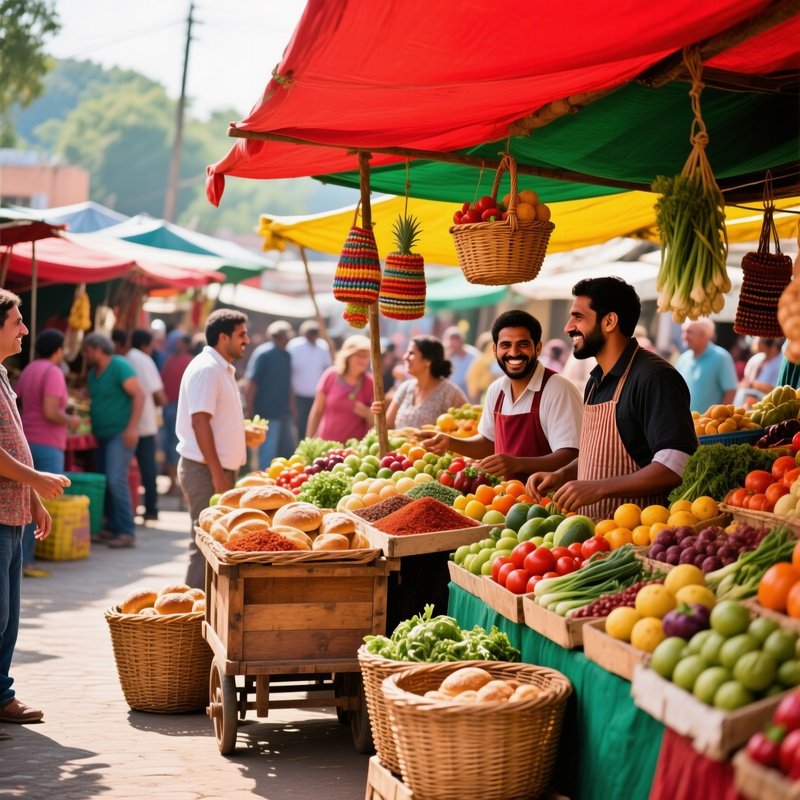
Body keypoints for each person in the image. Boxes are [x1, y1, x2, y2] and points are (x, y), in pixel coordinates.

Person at [527, 277, 698, 520]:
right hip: (593, 540)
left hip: (638, 541)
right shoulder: (595, 381)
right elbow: (597, 458)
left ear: (609, 321)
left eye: (578, 317)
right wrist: (562, 475)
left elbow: (677, 465)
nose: (567, 327)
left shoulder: (655, 377)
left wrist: (599, 488)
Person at [0, 290, 70, 724]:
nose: (25, 329)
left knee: (9, 617)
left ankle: (2, 696)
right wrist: (38, 480)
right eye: (16, 321)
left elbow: (14, 444)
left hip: (13, 512)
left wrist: (34, 499)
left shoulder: (5, 375)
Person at [418, 311, 583, 480]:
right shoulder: (496, 390)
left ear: (538, 348)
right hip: (506, 500)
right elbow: (488, 443)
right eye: (505, 345)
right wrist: (451, 442)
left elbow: (571, 456)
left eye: (523, 344)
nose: (513, 352)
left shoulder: (559, 389)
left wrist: (517, 464)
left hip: (551, 502)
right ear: (495, 349)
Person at [176, 309, 249, 589]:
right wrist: (218, 475)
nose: (247, 340)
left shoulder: (221, 367)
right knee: (204, 543)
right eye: (241, 334)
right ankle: (193, 611)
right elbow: (200, 422)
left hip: (215, 469)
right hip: (205, 470)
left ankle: (207, 610)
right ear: (223, 337)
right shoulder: (207, 368)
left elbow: (213, 420)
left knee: (215, 543)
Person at [15, 329, 81, 577]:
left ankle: (22, 558)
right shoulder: (53, 371)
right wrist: (72, 420)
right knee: (39, 502)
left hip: (26, 440)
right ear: (58, 350)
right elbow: (51, 412)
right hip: (47, 442)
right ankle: (27, 560)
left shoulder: (30, 368)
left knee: (24, 500)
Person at [82, 332, 144, 549]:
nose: (85, 355)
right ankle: (111, 527)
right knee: (106, 481)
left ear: (99, 349)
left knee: (116, 480)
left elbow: (139, 395)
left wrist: (132, 427)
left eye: (87, 350)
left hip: (120, 434)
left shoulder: (119, 365)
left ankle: (127, 531)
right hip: (102, 435)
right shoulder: (92, 374)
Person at [371, 336, 467, 430]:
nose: (405, 357)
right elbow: (387, 426)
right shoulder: (405, 388)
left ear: (428, 361)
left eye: (411, 353)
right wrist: (379, 414)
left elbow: (467, 427)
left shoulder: (450, 393)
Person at [125, 329, 167, 521]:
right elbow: (159, 393)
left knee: (126, 470)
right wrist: (160, 405)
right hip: (144, 422)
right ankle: (151, 508)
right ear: (145, 345)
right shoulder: (144, 359)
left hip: (128, 422)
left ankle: (134, 509)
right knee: (147, 469)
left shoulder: (127, 358)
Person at [244, 320, 295, 468]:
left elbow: (288, 382)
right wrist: (250, 408)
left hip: (284, 412)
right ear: (276, 336)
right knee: (268, 453)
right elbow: (252, 383)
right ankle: (263, 485)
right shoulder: (264, 354)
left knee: (287, 452)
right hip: (267, 412)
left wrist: (292, 407)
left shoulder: (286, 355)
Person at [306, 335, 374, 443]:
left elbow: (376, 421)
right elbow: (317, 411)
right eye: (359, 355)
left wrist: (367, 413)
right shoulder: (330, 375)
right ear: (348, 355)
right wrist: (309, 440)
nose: (363, 360)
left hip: (353, 452)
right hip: (325, 445)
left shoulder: (370, 383)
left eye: (366, 356)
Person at [674, 319, 738, 412]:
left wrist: (719, 418)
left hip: (709, 425)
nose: (684, 336)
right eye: (683, 331)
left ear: (704, 335)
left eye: (689, 332)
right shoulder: (683, 358)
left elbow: (730, 392)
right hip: (683, 422)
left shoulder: (721, 357)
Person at [286, 320, 332, 440]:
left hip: (318, 396)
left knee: (317, 426)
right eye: (310, 333)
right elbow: (288, 371)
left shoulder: (323, 346)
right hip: (298, 396)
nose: (313, 336)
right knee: (301, 427)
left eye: (315, 333)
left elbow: (328, 367)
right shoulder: (294, 346)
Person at [160, 333, 193, 496]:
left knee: (176, 448)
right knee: (167, 447)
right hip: (169, 407)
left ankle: (180, 485)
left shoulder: (189, 361)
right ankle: (173, 483)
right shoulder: (170, 359)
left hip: (181, 409)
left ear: (186, 344)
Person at [733, 337, 785, 407]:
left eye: (760, 343)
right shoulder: (756, 359)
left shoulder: (782, 363)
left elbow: (779, 390)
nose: (756, 346)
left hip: (768, 405)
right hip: (745, 401)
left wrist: (753, 384)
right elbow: (745, 381)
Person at [465, 332, 503, 404]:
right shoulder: (486, 360)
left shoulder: (478, 361)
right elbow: (497, 371)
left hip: (480, 394)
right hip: (484, 393)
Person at [443, 326, 480, 398]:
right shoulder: (447, 357)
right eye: (451, 340)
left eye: (456, 339)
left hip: (472, 394)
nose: (453, 344)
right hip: (453, 394)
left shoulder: (473, 354)